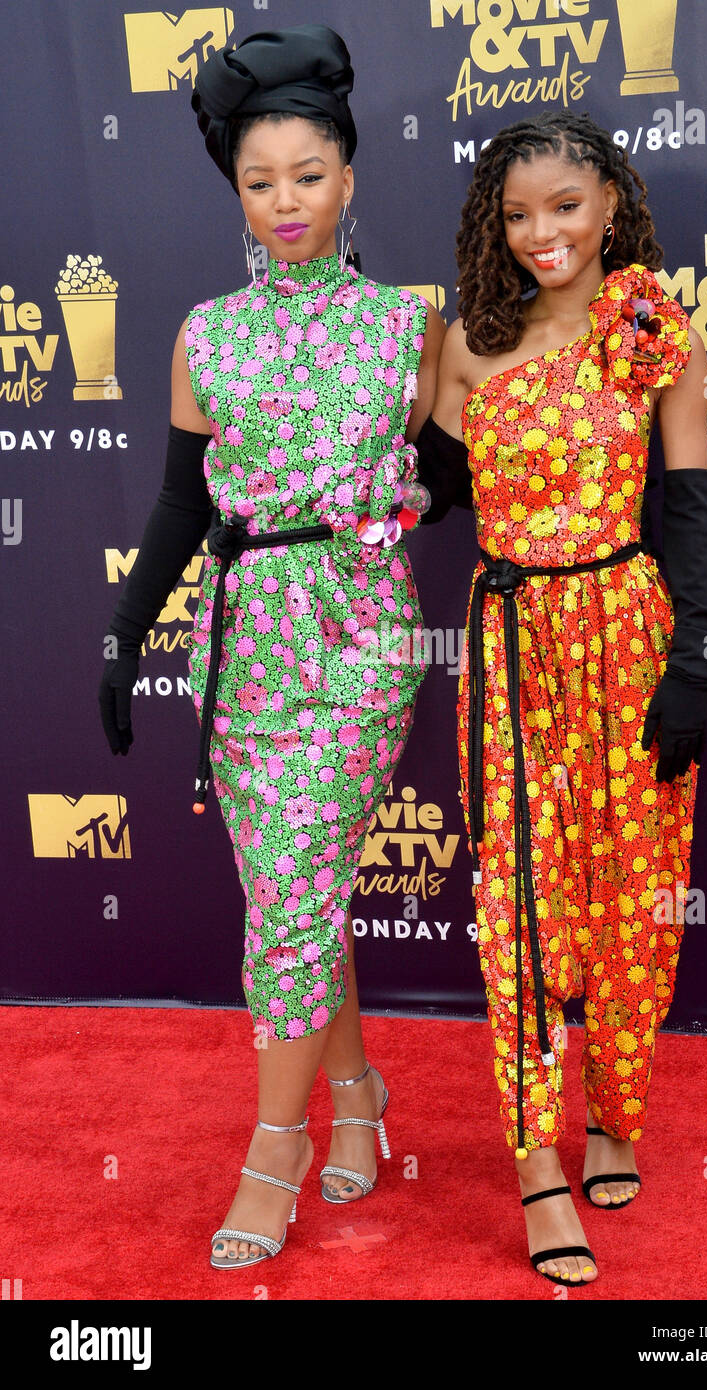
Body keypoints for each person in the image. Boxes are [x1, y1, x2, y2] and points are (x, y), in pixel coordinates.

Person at [98, 25, 444, 1270]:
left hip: (355, 635)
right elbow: (182, 504)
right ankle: (356, 1094)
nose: (286, 201)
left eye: (309, 173)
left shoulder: (412, 325)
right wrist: (124, 630)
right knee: (295, 889)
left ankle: (273, 1149)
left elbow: (466, 469)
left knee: (293, 890)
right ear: (235, 193)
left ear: (350, 176)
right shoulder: (206, 334)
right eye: (260, 180)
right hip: (240, 644)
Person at [414, 110, 707, 1286]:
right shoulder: (465, 344)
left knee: (633, 895)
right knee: (524, 902)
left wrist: (694, 657)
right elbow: (431, 490)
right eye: (516, 212)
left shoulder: (648, 324)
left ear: (610, 207)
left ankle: (615, 1112)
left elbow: (687, 503)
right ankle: (537, 1159)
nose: (542, 232)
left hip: (628, 636)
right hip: (510, 648)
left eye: (564, 205)